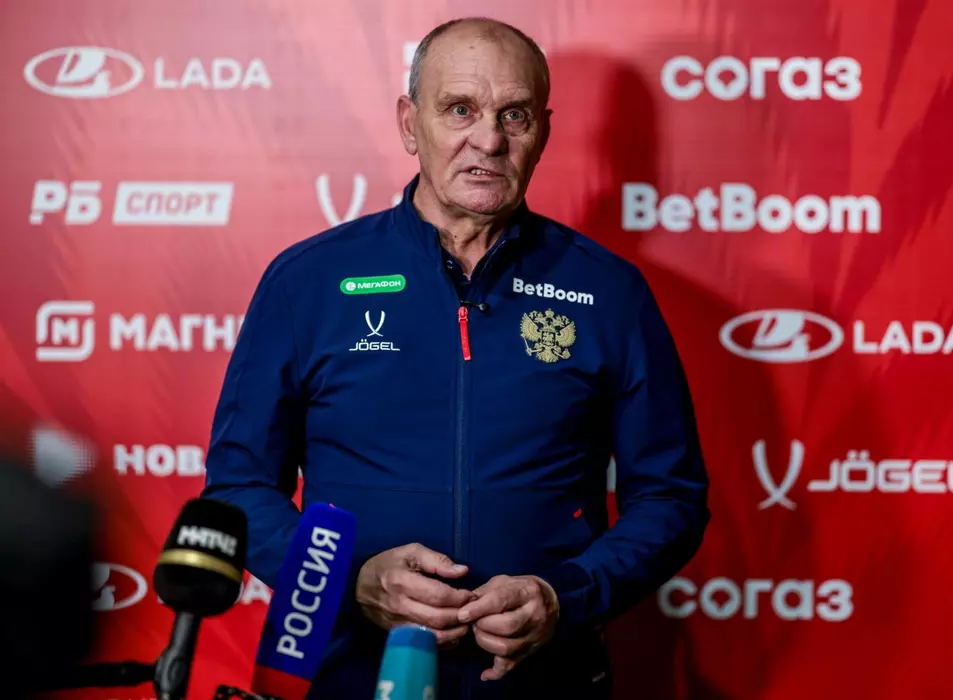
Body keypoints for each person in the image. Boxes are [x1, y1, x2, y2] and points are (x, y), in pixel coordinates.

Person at [202, 16, 710, 700]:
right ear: (410, 124)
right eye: (460, 109)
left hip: (544, 685)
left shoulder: (609, 292)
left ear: (543, 132)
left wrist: (567, 595)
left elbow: (671, 497)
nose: (489, 140)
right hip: (347, 675)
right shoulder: (307, 282)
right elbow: (238, 487)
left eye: (514, 115)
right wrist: (348, 580)